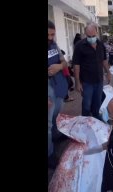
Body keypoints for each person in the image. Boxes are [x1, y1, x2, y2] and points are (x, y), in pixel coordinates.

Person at [72, 22, 112, 120]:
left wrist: (108, 72)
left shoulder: (100, 44)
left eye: (93, 36)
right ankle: (85, 120)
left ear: (97, 33)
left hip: (99, 80)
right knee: (86, 104)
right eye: (89, 36)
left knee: (97, 102)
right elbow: (76, 65)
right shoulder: (79, 45)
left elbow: (104, 60)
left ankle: (95, 118)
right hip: (86, 82)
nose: (91, 38)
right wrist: (77, 82)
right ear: (85, 34)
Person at [48, 20, 69, 167]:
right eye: (47, 35)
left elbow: (65, 62)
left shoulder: (54, 45)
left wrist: (59, 66)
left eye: (52, 34)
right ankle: (49, 154)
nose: (50, 37)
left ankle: (56, 137)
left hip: (58, 86)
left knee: (56, 116)